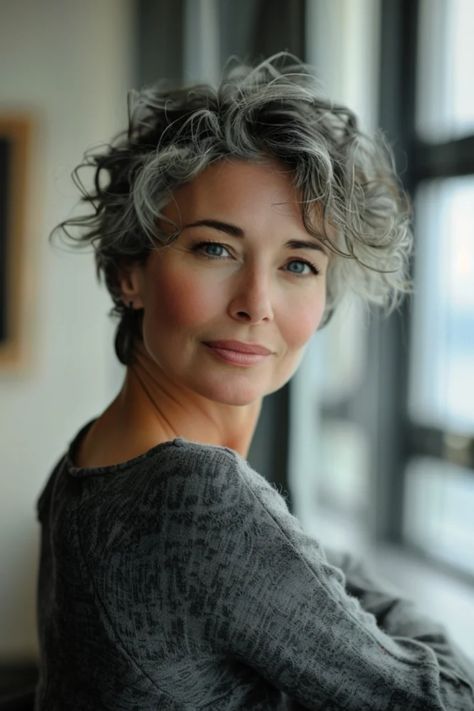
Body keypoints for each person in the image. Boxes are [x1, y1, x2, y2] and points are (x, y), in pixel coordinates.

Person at [35, 53, 474, 710]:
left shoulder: (89, 455)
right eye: (215, 248)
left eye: (298, 263)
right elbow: (445, 697)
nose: (255, 302)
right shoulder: (202, 496)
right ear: (132, 271)